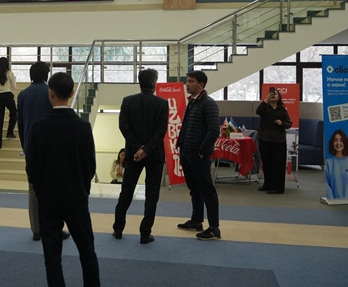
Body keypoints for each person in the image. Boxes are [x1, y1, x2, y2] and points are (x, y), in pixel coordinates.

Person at [26, 72, 100, 287]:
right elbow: (90, 165)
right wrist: (82, 189)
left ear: (50, 93)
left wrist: (40, 190)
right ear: (72, 92)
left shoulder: (38, 127)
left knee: (52, 257)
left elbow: (31, 166)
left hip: (48, 199)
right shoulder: (83, 127)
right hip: (77, 197)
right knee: (87, 252)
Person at [112, 68, 168, 244]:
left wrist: (138, 148)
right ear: (155, 83)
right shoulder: (162, 103)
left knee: (126, 191)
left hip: (132, 154)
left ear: (139, 83)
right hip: (155, 155)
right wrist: (147, 149)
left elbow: (123, 126)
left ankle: (118, 229)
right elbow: (161, 130)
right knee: (152, 195)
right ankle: (145, 233)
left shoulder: (128, 101)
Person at [17, 62, 70, 242]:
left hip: (31, 147)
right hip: (51, 147)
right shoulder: (50, 93)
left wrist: (25, 145)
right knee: (54, 189)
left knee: (33, 190)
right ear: (47, 75)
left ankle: (36, 230)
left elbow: (20, 122)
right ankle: (54, 227)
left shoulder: (23, 94)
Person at [176, 71, 221, 240]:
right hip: (187, 151)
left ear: (201, 84)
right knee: (194, 188)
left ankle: (214, 228)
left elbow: (214, 130)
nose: (187, 84)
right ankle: (196, 220)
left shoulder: (208, 103)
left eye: (191, 81)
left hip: (198, 154)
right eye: (187, 81)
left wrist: (202, 151)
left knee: (207, 189)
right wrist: (181, 146)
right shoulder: (193, 102)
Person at [256, 88, 292, 195]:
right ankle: (267, 184)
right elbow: (258, 112)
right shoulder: (265, 108)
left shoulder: (282, 110)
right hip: (264, 139)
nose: (273, 96)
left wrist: (282, 123)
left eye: (275, 94)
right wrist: (265, 100)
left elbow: (289, 123)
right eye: (271, 94)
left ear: (279, 97)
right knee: (266, 163)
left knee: (278, 164)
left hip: (279, 140)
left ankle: (277, 187)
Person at [325, 130, 348, 200]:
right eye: (335, 140)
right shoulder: (328, 163)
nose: (338, 143)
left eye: (341, 140)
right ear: (332, 143)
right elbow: (326, 187)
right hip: (332, 204)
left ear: (345, 142)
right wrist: (333, 202)